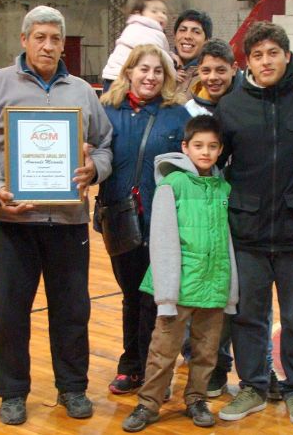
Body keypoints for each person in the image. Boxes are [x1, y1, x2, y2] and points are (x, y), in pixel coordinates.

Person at [0, 5, 114, 425]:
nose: (48, 45)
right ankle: (12, 393)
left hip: (68, 223)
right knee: (10, 313)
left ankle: (73, 388)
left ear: (64, 44)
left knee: (72, 310)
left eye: (56, 38)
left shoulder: (82, 91)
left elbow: (104, 144)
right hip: (12, 224)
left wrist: (95, 168)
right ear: (24, 40)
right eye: (40, 37)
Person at [214, 21, 293, 426]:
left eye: (273, 53)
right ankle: (254, 386)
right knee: (248, 316)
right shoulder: (232, 106)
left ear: (288, 57)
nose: (265, 61)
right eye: (257, 55)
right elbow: (213, 161)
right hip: (248, 232)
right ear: (248, 63)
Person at [121, 115, 238, 432]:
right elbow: (162, 242)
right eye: (198, 145)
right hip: (179, 286)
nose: (205, 152)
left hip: (213, 285)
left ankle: (196, 398)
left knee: (205, 351)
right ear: (185, 147)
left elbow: (225, 240)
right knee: (162, 351)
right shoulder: (172, 185)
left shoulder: (222, 186)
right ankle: (148, 404)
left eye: (212, 146)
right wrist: (167, 296)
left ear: (220, 150)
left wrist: (230, 289)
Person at [179, 38, 281, 401]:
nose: (213, 76)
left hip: (244, 216)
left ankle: (261, 368)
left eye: (220, 69)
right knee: (211, 295)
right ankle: (212, 366)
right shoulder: (189, 110)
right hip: (206, 215)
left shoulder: (249, 103)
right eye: (206, 70)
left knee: (248, 300)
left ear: (235, 69)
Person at [97, 43, 191, 397]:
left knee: (156, 297)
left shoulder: (177, 115)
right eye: (143, 69)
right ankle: (131, 365)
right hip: (120, 220)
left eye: (157, 71)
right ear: (129, 72)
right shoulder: (107, 111)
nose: (150, 77)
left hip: (163, 222)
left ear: (165, 77)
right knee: (130, 295)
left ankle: (153, 367)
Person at [101, 0, 174, 91]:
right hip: (122, 79)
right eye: (154, 11)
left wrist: (171, 55)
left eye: (164, 12)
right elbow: (160, 56)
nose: (161, 15)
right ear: (138, 13)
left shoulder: (132, 27)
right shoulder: (148, 30)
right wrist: (173, 75)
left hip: (111, 76)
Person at [171, 9, 212, 93]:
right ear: (175, 36)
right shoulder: (161, 67)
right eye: (183, 30)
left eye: (196, 32)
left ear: (207, 40)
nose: (187, 36)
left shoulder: (209, 77)